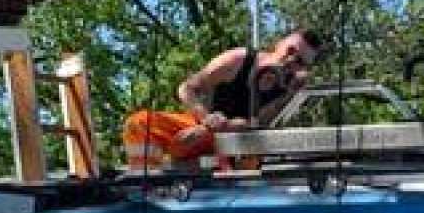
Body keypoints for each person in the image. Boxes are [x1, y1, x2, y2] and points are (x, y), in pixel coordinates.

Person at [121, 30, 325, 169]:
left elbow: (263, 125)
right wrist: (206, 118)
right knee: (139, 122)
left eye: (299, 61)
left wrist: (238, 126)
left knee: (253, 151)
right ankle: (146, 185)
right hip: (203, 127)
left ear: (303, 68)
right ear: (279, 43)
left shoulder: (289, 88)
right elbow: (187, 89)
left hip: (240, 142)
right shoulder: (237, 60)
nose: (290, 60)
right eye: (290, 50)